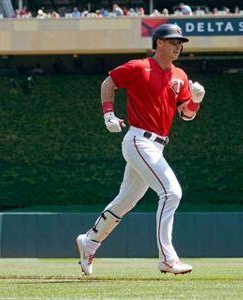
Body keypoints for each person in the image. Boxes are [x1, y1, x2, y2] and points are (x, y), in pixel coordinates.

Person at [76, 23, 206, 275]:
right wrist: (108, 114)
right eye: (173, 41)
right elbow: (108, 83)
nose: (178, 45)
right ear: (158, 42)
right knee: (171, 193)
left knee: (125, 201)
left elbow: (186, 115)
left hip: (157, 145)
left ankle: (89, 241)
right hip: (138, 140)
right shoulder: (139, 66)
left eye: (180, 42)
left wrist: (196, 101)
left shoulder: (180, 75)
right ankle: (168, 259)